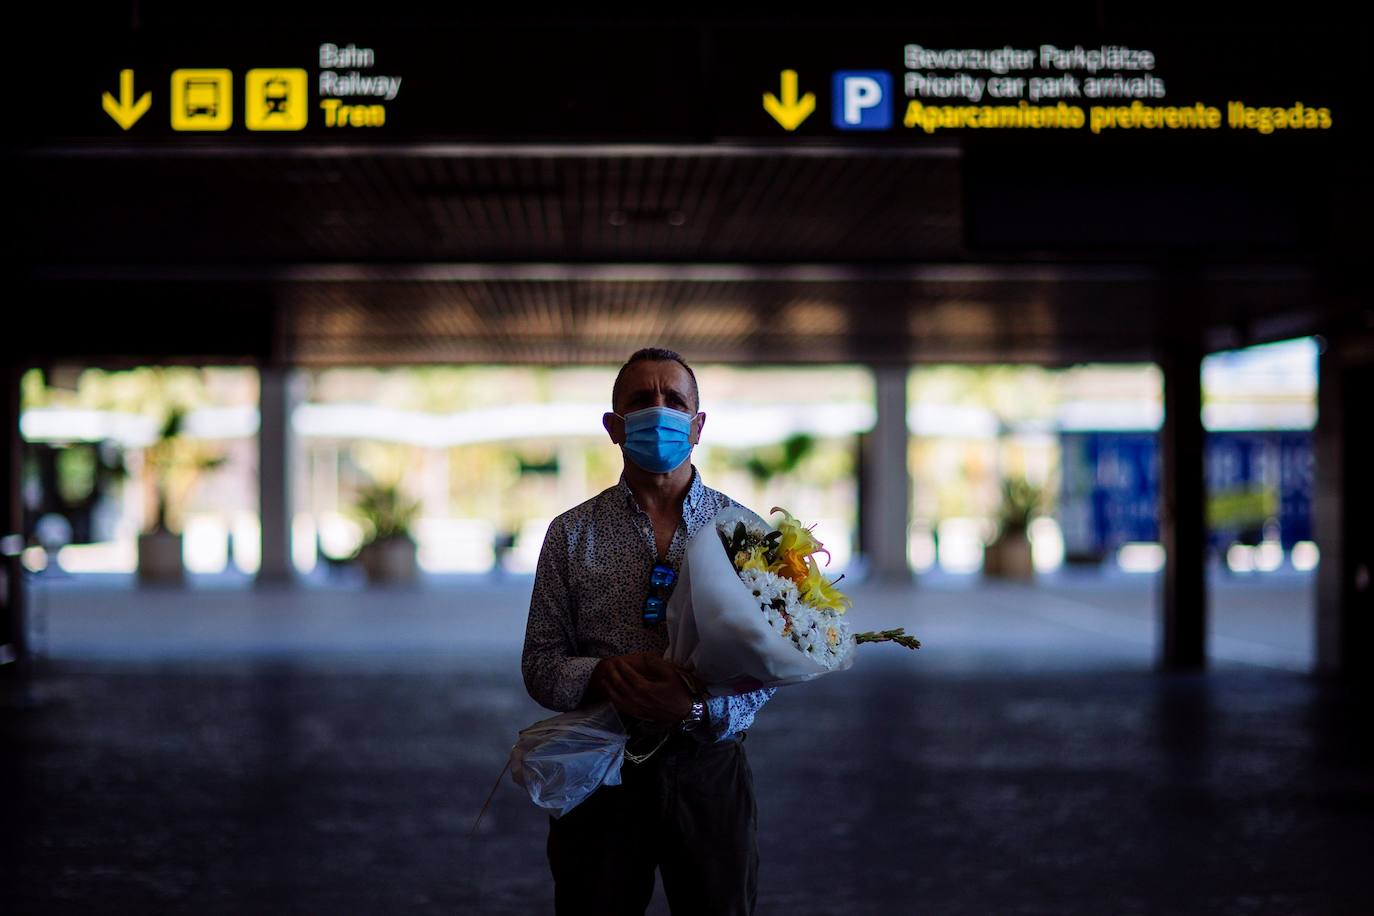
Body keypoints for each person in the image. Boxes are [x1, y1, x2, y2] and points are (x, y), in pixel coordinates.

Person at [522, 347, 774, 916]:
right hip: (601, 769)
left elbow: (770, 665)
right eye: (641, 401)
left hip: (709, 769)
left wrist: (691, 709)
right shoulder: (570, 534)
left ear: (698, 425)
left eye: (674, 400)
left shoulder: (743, 533)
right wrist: (607, 677)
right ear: (614, 428)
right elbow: (539, 662)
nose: (659, 411)